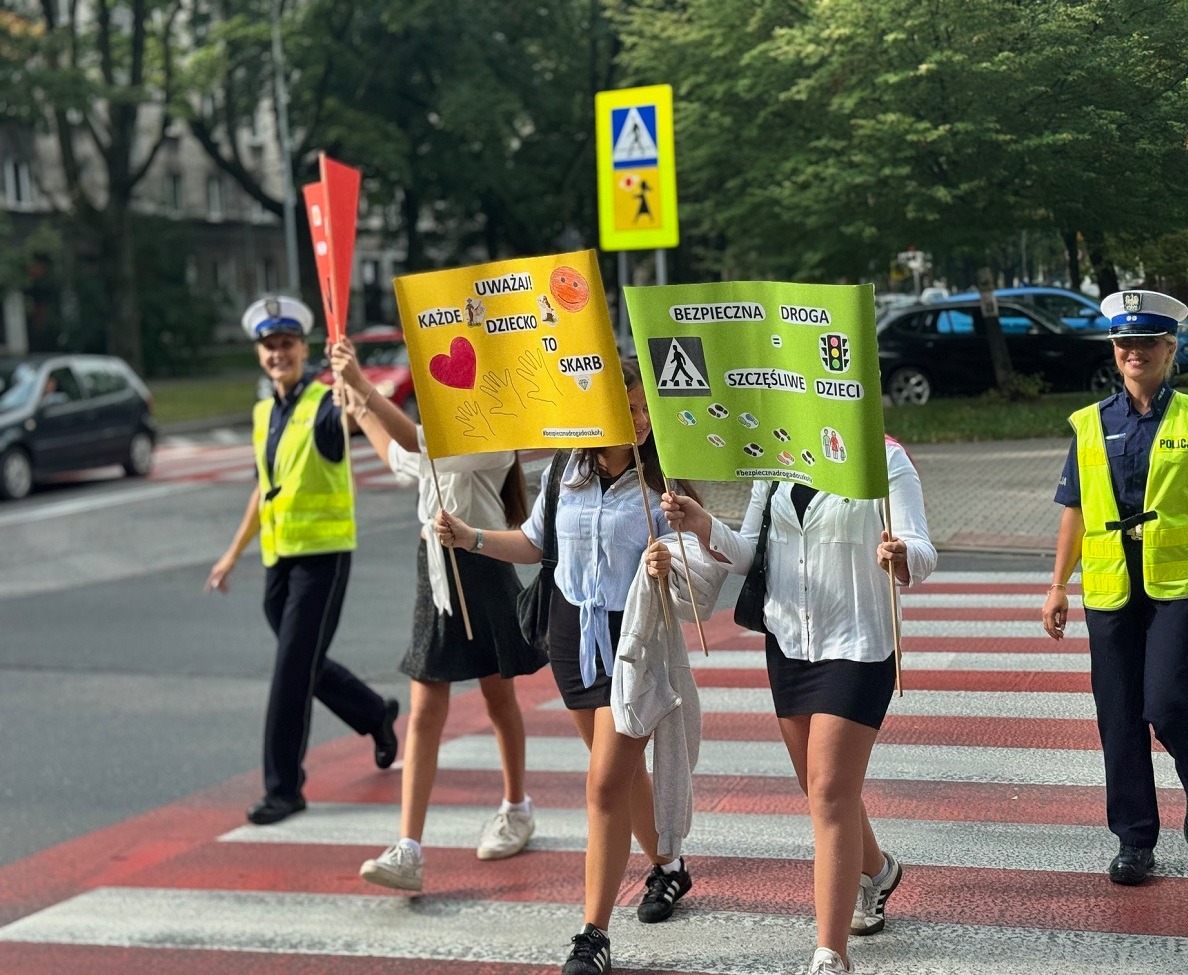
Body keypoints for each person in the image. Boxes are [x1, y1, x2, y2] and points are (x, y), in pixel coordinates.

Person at [434, 361, 698, 975]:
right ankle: (670, 866)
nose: (638, 421)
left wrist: (675, 563)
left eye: (644, 410)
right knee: (619, 777)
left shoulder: (663, 483)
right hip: (569, 640)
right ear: (599, 410)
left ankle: (592, 938)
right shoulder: (564, 471)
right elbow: (535, 544)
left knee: (603, 785)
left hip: (632, 642)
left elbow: (699, 568)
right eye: (626, 409)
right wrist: (469, 538)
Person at [658, 439, 936, 975]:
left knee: (830, 793)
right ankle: (877, 872)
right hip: (790, 644)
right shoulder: (777, 458)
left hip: (858, 645)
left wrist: (902, 555)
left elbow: (923, 549)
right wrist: (700, 522)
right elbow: (748, 553)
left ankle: (830, 954)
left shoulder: (883, 457)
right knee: (820, 786)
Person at [1041, 289, 1188, 886]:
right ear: (1115, 351)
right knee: (1118, 717)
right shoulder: (1088, 424)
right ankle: (1135, 841)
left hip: (1180, 585)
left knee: (1165, 704)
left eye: (1145, 344)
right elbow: (1074, 511)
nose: (1133, 352)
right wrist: (1058, 585)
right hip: (1109, 588)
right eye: (1123, 343)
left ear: (1169, 348)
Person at [328, 338, 548, 889]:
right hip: (435, 570)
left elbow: (420, 450)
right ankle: (409, 848)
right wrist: (359, 406)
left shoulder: (495, 436)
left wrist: (363, 391)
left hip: (482, 560)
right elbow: (401, 457)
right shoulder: (438, 435)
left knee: (499, 698)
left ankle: (517, 806)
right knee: (426, 707)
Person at [205, 297, 398, 826]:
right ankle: (374, 712)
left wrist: (353, 384)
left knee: (291, 672)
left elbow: (354, 417)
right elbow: (263, 488)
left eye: (287, 344)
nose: (278, 354)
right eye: (269, 346)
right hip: (278, 562)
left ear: (303, 347)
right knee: (304, 662)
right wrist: (231, 554)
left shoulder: (323, 403)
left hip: (322, 560)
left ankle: (284, 788)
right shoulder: (265, 409)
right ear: (259, 353)